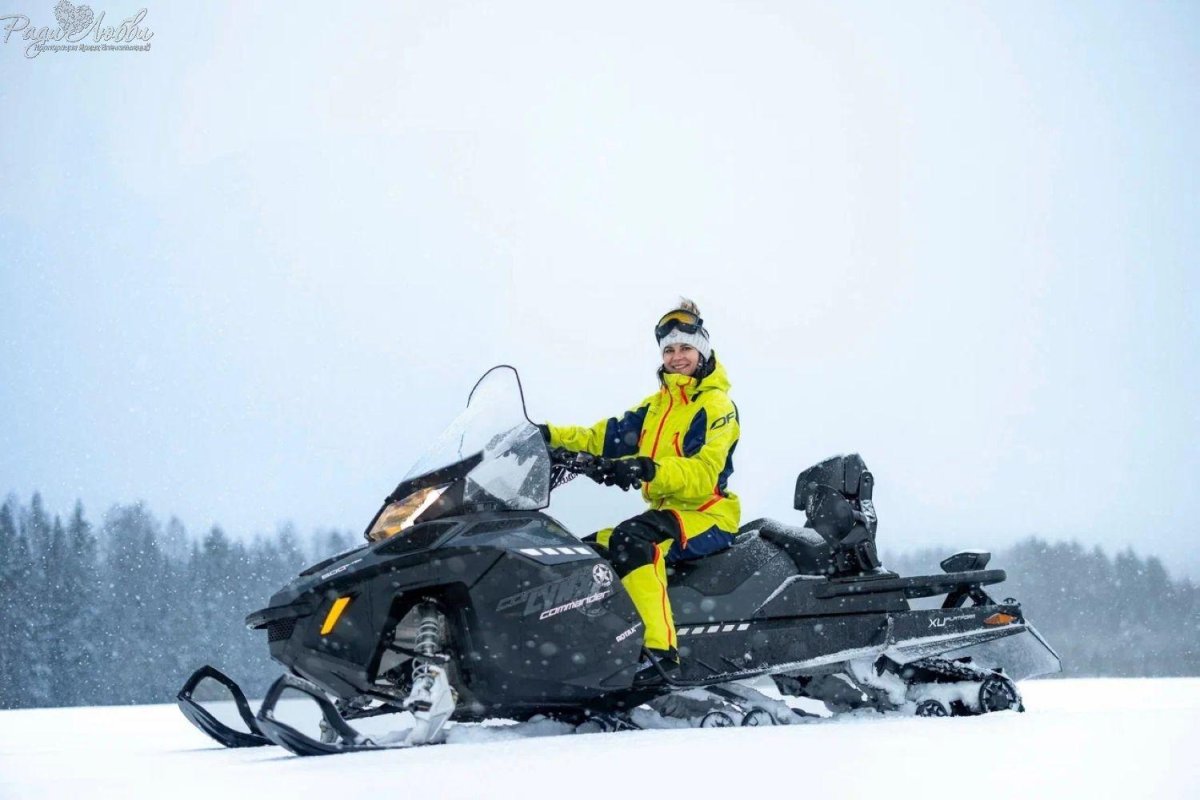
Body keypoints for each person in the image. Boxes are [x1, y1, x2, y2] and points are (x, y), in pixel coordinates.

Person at [542, 299, 741, 684]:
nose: (677, 357)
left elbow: (704, 473)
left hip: (708, 514)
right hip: (666, 512)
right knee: (585, 552)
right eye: (669, 350)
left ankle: (659, 654)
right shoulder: (657, 407)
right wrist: (547, 435)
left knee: (632, 539)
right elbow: (601, 437)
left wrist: (647, 467)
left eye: (685, 348)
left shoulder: (716, 406)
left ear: (702, 351)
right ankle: (589, 651)